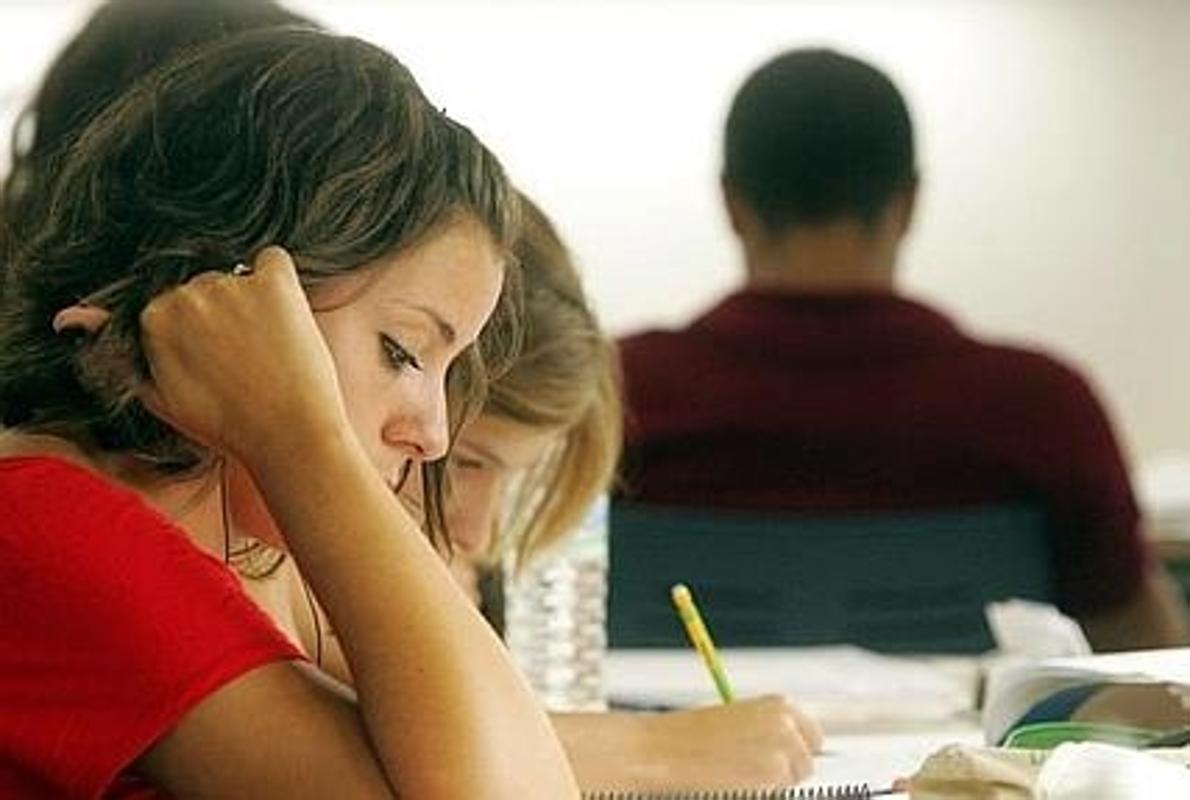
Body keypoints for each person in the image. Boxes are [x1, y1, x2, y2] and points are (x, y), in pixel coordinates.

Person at [0, 26, 579, 799]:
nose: (434, 434)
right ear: (226, 298)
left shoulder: (247, 546)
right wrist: (308, 446)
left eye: (450, 369)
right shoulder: (49, 526)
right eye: (403, 351)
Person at [616, 47, 1189, 652]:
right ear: (909, 202)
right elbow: (1140, 653)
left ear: (731, 204)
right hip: (969, 747)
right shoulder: (1041, 405)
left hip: (677, 740)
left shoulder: (618, 391)